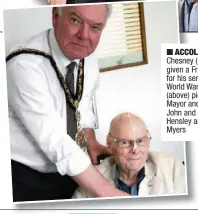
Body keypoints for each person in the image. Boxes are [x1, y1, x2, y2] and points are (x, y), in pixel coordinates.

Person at [6, 4, 130, 202]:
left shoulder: (86, 57)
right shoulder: (23, 64)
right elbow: (55, 140)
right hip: (26, 179)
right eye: (75, 20)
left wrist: (90, 141)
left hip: (71, 171)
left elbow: (83, 101)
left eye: (95, 27)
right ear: (55, 16)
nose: (84, 35)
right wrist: (110, 194)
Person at [72, 113, 186, 198]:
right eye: (125, 142)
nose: (135, 150)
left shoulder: (172, 168)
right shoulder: (91, 179)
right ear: (109, 144)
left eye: (140, 140)